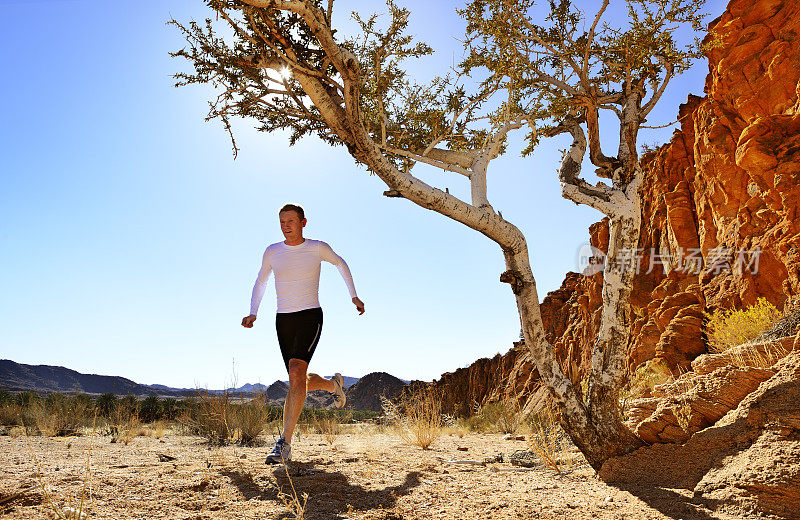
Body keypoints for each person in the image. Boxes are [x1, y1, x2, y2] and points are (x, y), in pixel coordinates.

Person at [241, 204, 365, 464]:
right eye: (281, 221)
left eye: (291, 221)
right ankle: (333, 385)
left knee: (297, 373)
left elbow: (341, 263)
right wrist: (253, 312)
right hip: (283, 319)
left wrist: (353, 295)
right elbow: (261, 281)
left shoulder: (317, 247)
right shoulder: (272, 251)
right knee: (298, 378)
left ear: (303, 222)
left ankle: (284, 443)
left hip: (310, 315)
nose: (285, 225)